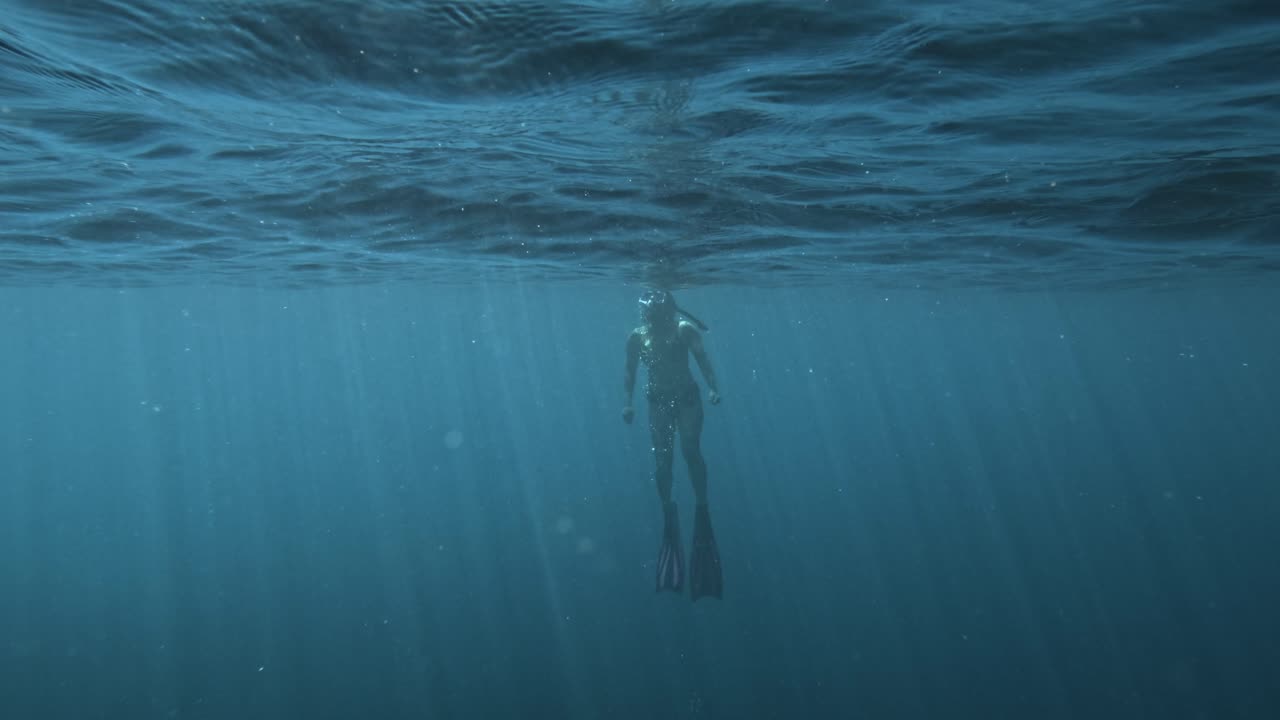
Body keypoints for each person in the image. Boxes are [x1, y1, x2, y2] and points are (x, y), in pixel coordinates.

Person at [622, 289, 723, 600]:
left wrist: (713, 388)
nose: (653, 315)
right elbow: (630, 372)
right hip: (659, 403)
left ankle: (701, 505)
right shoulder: (637, 338)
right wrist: (628, 403)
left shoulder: (684, 329)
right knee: (663, 461)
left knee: (690, 452)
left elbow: (702, 359)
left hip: (687, 400)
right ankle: (669, 509)